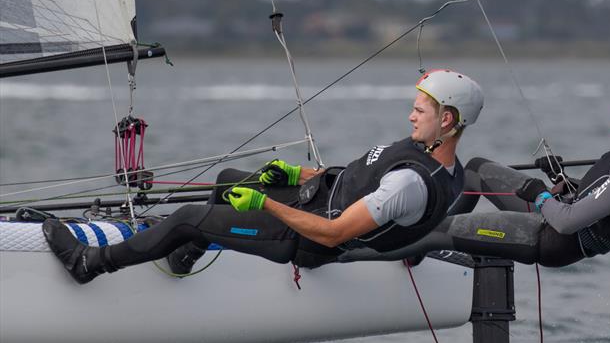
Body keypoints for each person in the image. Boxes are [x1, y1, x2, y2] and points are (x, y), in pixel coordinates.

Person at [43, 69, 484, 283]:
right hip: (316, 197)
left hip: (304, 240)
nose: (410, 115)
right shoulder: (440, 163)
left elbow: (333, 234)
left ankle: (90, 264)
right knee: (229, 179)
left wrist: (265, 204)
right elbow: (358, 178)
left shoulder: (409, 183)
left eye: (420, 110)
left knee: (186, 217)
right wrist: (298, 172)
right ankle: (184, 254)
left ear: (448, 120)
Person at [338, 88, 610, 267]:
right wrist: (567, 186)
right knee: (476, 169)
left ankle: (349, 254)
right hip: (554, 217)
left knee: (434, 231)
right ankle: (435, 236)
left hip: (550, 238)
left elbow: (569, 222)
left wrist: (540, 193)